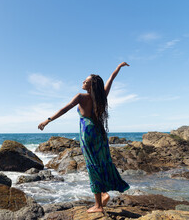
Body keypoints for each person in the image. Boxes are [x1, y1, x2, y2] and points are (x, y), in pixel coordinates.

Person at [38, 62, 130, 213]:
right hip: (100, 133)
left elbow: (64, 109)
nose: (82, 82)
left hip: (88, 133)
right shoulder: (101, 96)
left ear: (90, 85)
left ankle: (98, 206)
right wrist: (118, 67)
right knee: (102, 163)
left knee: (92, 166)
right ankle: (104, 193)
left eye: (85, 81)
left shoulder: (81, 97)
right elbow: (111, 79)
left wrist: (47, 120)